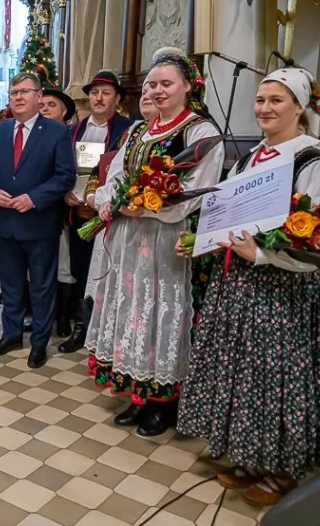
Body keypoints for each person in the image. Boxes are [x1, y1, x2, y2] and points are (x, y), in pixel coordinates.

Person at [177, 68, 320, 507]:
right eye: (260, 100)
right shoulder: (253, 157)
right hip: (240, 283)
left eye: (276, 100)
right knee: (244, 372)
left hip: (282, 289)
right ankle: (251, 454)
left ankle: (283, 468)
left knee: (277, 376)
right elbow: (229, 210)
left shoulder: (313, 163)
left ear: (300, 108)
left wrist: (265, 255)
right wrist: (202, 241)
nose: (264, 108)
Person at [86, 48, 224, 436]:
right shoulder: (138, 130)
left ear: (187, 87)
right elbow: (116, 175)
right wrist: (114, 201)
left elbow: (195, 191)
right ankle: (139, 393)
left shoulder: (200, 131)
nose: (158, 90)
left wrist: (142, 208)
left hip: (169, 238)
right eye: (152, 84)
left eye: (167, 84)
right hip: (131, 237)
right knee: (134, 311)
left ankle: (167, 401)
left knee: (165, 312)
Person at [0, 72, 75, 369]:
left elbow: (65, 176)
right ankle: (11, 334)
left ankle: (39, 343)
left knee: (42, 286)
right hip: (6, 220)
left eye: (25, 92)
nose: (18, 97)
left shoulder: (57, 132)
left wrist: (33, 198)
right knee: (11, 284)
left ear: (39, 96)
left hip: (40, 221)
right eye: (13, 92)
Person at [59, 71, 132, 352]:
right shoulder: (73, 130)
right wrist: (66, 191)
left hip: (109, 212)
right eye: (94, 93)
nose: (99, 98)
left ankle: (105, 329)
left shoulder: (128, 129)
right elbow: (64, 166)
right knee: (80, 268)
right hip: (76, 210)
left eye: (106, 93)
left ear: (117, 99)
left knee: (106, 271)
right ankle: (82, 327)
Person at [38, 87, 79, 336]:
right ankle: (43, 315)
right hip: (38, 209)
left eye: (51, 105)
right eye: (41, 104)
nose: (44, 109)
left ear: (64, 111)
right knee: (40, 266)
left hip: (67, 209)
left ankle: (64, 317)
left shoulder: (73, 135)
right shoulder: (34, 135)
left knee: (64, 264)